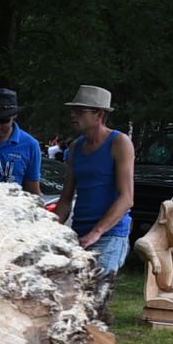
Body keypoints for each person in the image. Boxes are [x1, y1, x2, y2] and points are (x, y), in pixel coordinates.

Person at [52, 84, 135, 276]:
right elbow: (65, 199)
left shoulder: (120, 143)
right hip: (79, 232)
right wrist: (50, 231)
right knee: (72, 290)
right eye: (73, 110)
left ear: (99, 114)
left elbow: (127, 198)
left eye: (80, 111)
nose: (73, 115)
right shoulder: (75, 147)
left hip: (110, 235)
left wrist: (97, 232)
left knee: (96, 290)